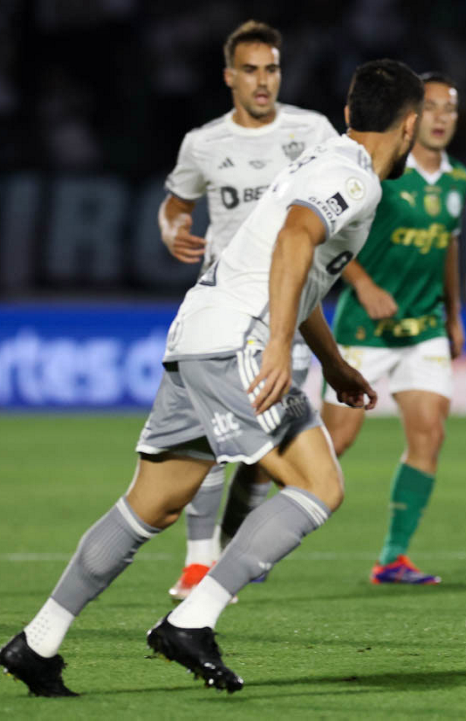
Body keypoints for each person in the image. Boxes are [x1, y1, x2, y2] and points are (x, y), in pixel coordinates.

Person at [0, 59, 422, 696]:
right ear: (409, 127)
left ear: (348, 113)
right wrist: (275, 344)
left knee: (153, 504)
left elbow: (294, 267)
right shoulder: (352, 177)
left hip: (199, 333)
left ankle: (37, 642)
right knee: (319, 486)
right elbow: (294, 241)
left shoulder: (319, 161)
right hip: (238, 339)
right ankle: (191, 621)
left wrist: (332, 363)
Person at [159, 20, 338, 601]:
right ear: (229, 77)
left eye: (272, 69)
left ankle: (234, 544)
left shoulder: (313, 131)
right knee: (211, 436)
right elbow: (176, 204)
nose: (263, 81)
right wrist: (172, 229)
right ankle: (197, 561)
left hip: (291, 311)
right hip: (226, 312)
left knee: (269, 446)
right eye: (251, 70)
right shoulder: (203, 143)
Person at [321, 72, 466, 585]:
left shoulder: (458, 179)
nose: (442, 117)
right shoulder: (381, 171)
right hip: (366, 328)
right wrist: (362, 285)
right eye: (432, 107)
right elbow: (330, 236)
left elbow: (448, 247)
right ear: (412, 117)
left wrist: (453, 315)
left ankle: (392, 558)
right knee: (335, 442)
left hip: (424, 327)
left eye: (450, 108)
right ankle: (253, 522)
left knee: (429, 434)